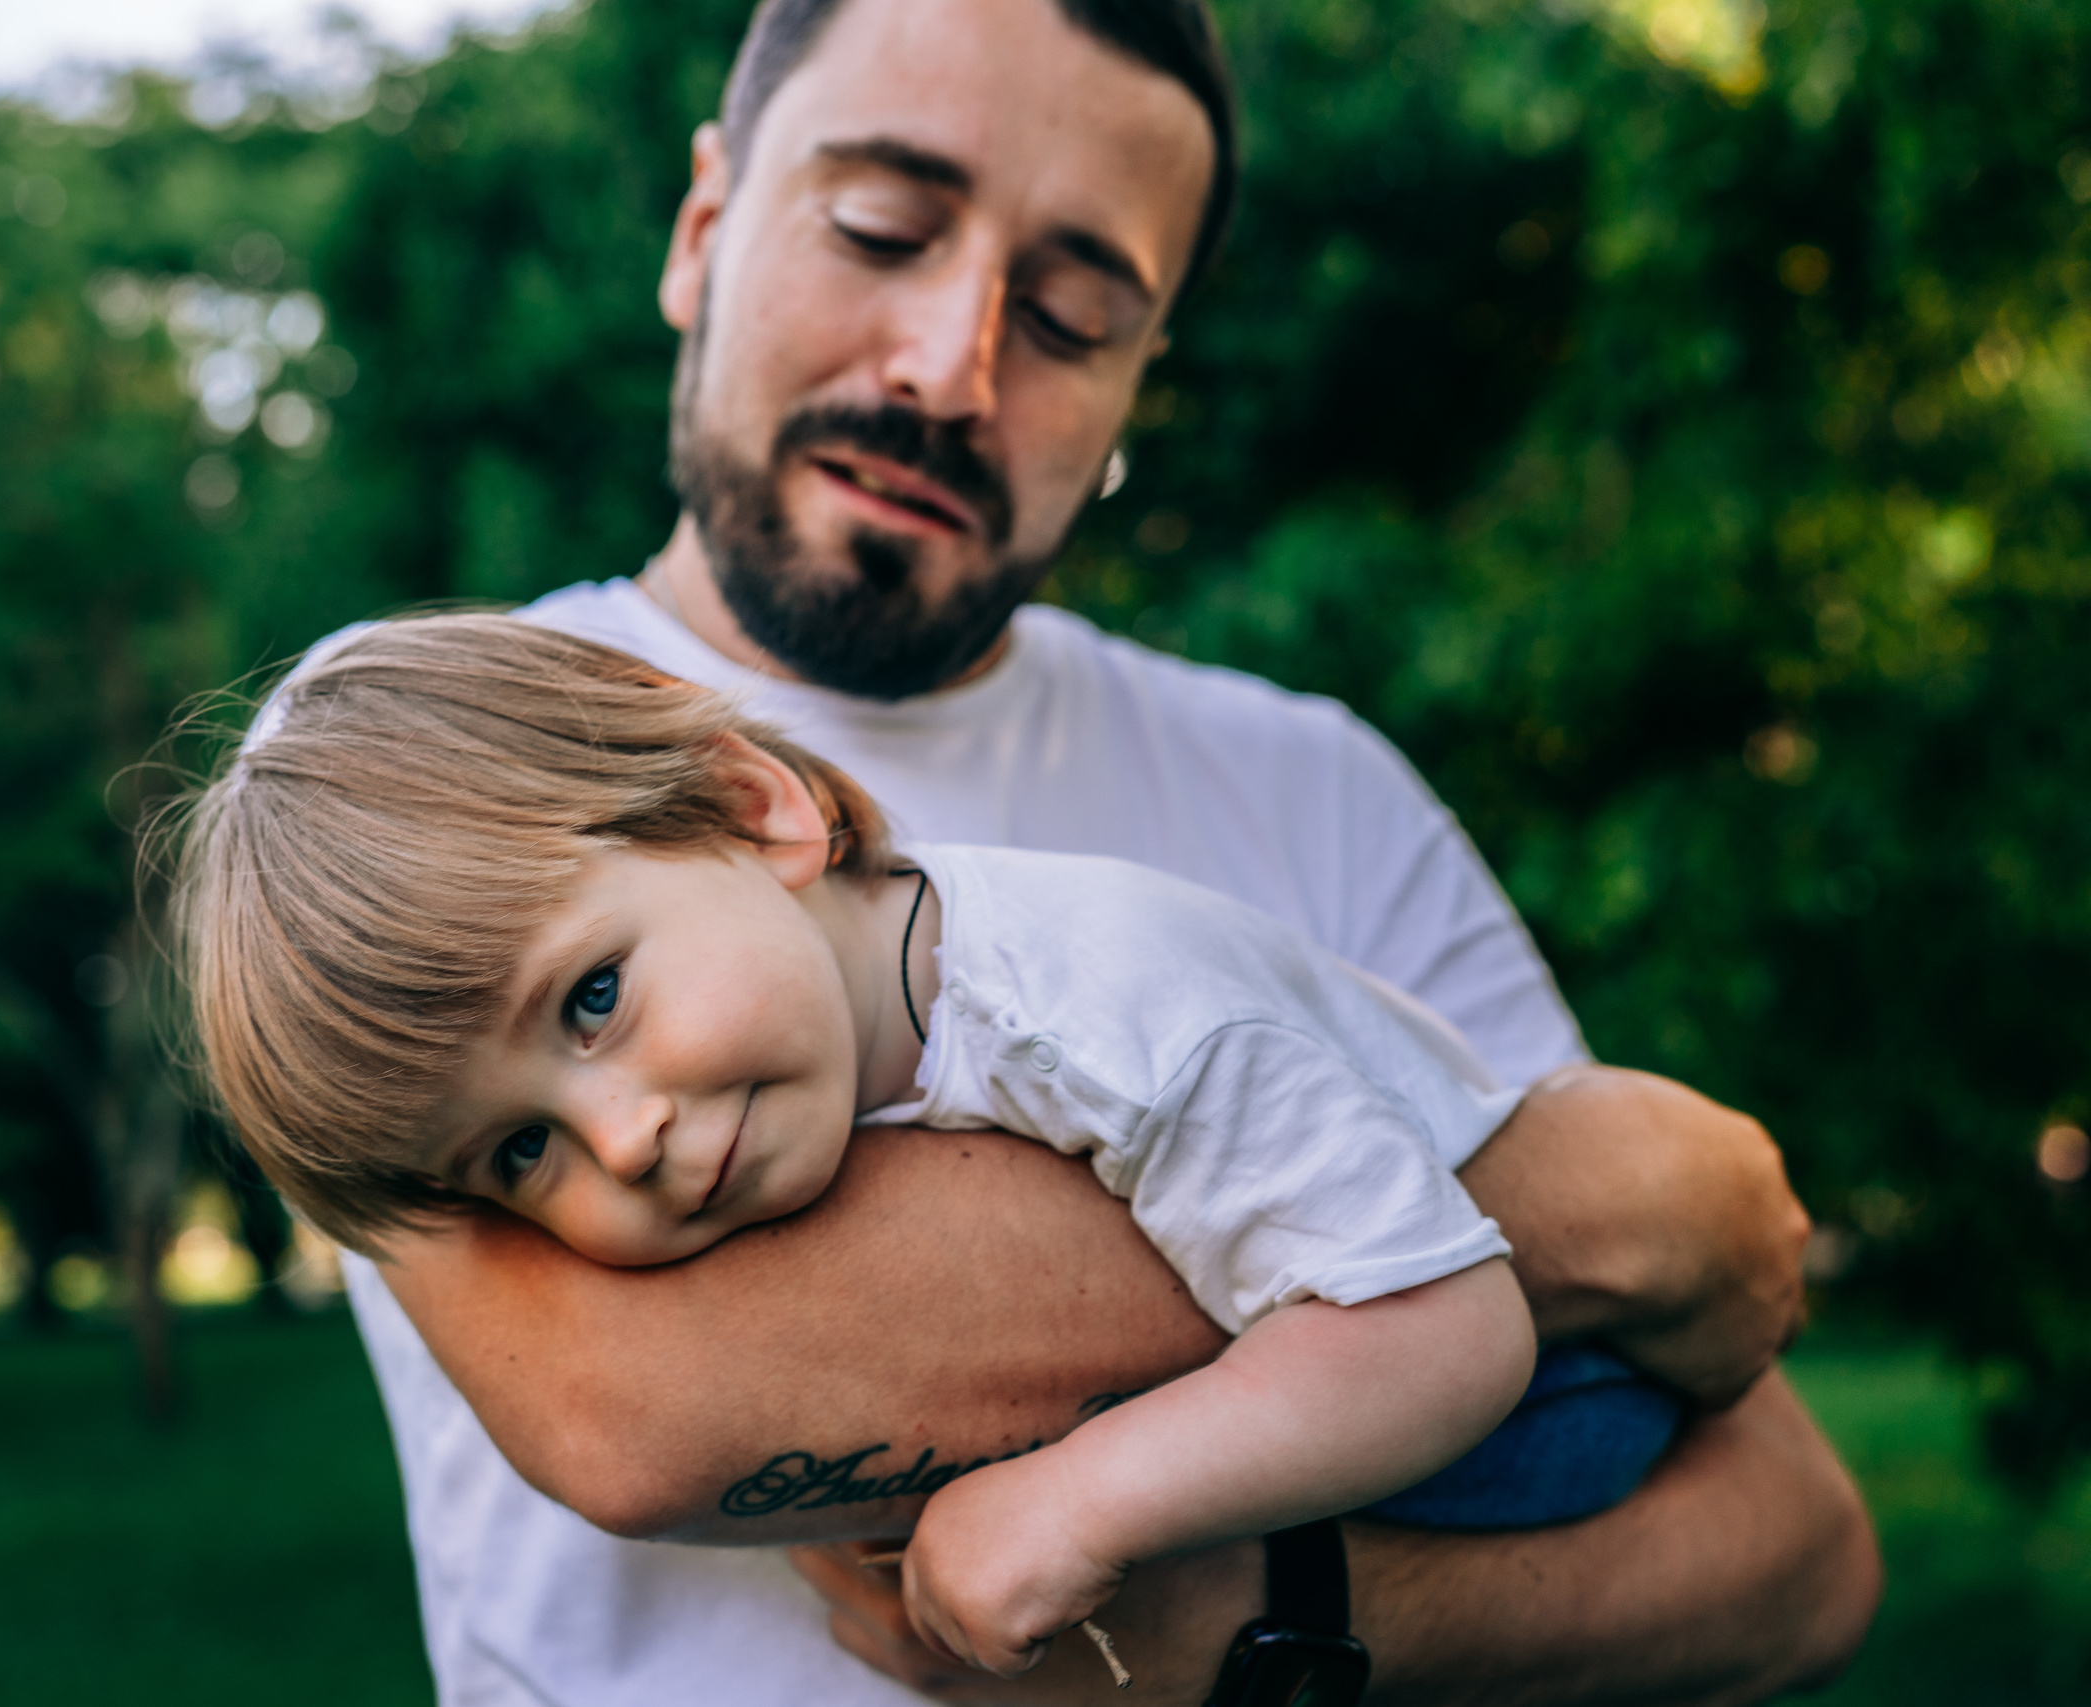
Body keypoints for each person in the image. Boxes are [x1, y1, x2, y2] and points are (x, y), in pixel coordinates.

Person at [324, 0, 1882, 1701]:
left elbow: (1795, 1549)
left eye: (1074, 315)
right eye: (880, 230)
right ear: (703, 231)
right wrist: (1583, 1200)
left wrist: (1274, 1629)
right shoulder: (389, 793)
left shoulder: (1318, 783)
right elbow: (646, 1413)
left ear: (1146, 377)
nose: (949, 368)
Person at [181, 617, 1705, 1682]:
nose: (623, 1138)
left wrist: (1075, 1502)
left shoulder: (1100, 1002)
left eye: (592, 1000)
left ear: (756, 809)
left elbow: (1445, 1325)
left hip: (1553, 1415)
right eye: (517, 1155)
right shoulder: (812, 1048)